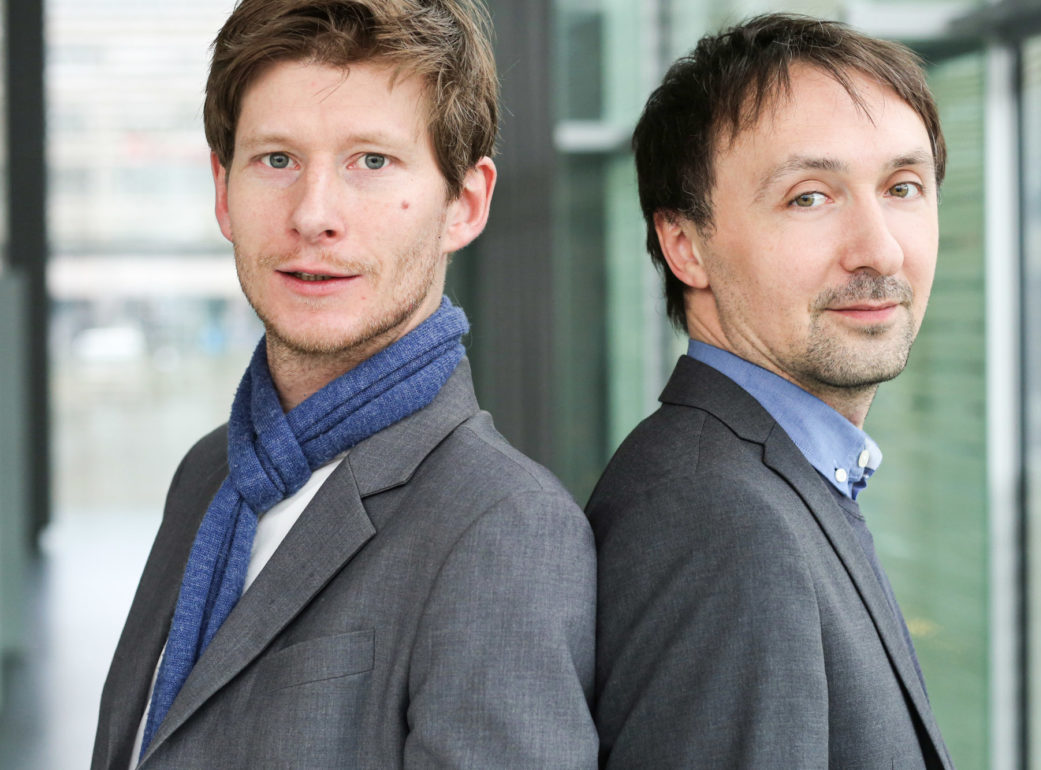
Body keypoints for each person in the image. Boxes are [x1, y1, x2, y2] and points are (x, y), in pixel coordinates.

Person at [91, 1, 598, 768]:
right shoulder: (208, 474)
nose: (313, 214)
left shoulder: (505, 528)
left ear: (464, 204)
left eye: (371, 161)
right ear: (223, 193)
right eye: (277, 160)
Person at [587, 13, 954, 769]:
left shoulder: (775, 482)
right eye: (809, 197)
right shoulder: (718, 524)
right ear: (685, 244)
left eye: (903, 187)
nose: (880, 249)